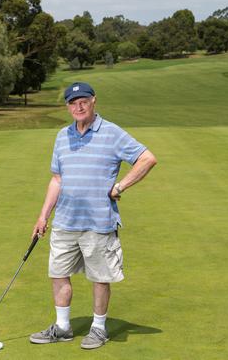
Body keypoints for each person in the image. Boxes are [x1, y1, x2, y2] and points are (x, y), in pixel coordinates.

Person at [29, 82, 157, 349]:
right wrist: (43, 216)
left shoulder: (112, 133)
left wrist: (120, 186)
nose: (79, 106)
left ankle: (98, 328)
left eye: (83, 101)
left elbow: (147, 159)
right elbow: (56, 179)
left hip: (98, 223)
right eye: (73, 102)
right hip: (65, 221)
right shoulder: (62, 136)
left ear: (93, 101)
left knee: (100, 277)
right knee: (58, 273)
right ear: (67, 107)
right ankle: (63, 327)